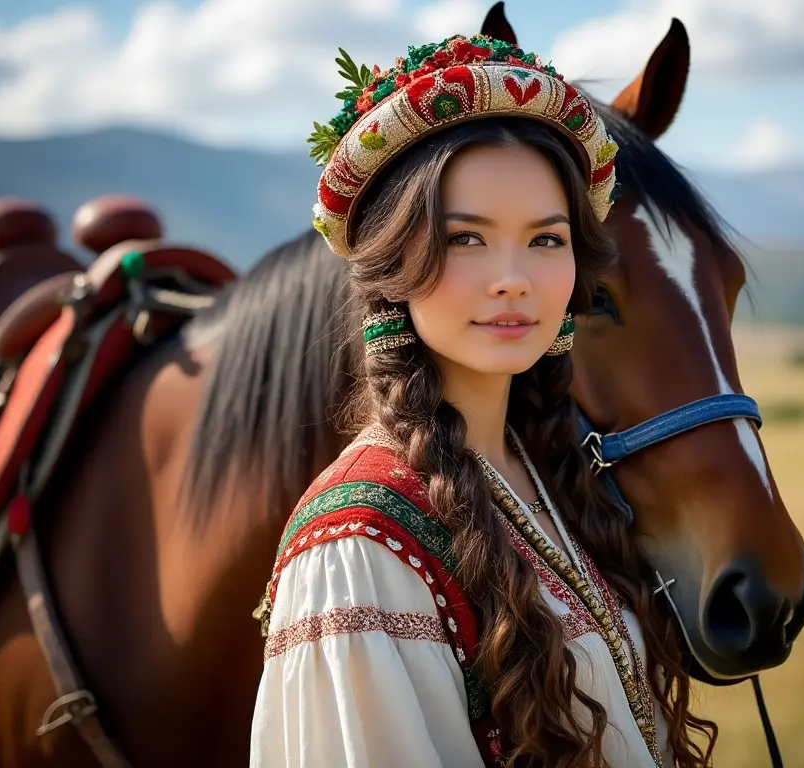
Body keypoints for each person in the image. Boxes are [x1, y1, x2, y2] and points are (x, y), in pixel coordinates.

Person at [250, 34, 715, 768]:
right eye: (467, 240)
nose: (513, 279)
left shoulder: (555, 475)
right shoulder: (357, 545)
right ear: (391, 263)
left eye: (545, 240)